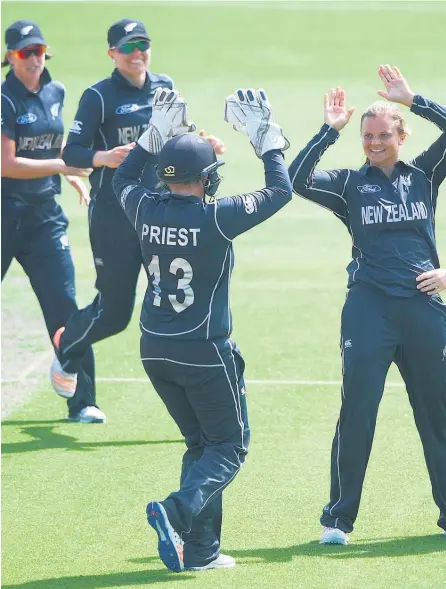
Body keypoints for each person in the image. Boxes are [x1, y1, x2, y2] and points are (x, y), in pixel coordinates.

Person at [108, 87, 292, 571]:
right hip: (204, 352)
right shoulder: (216, 216)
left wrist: (152, 137)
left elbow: (119, 179)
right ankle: (174, 511)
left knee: (201, 446)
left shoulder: (144, 207)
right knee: (229, 447)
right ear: (207, 178)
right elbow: (279, 191)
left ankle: (202, 553)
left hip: (154, 351)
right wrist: (267, 140)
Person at [288, 65, 446, 545]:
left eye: (383, 134)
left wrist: (412, 99)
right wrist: (328, 131)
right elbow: (298, 178)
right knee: (357, 409)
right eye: (367, 136)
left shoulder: (424, 174)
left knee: (437, 412)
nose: (374, 142)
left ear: (401, 135)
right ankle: (337, 519)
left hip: (424, 307)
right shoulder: (348, 185)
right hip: (369, 309)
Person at [48, 18, 175, 398]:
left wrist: (202, 142)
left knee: (172, 306)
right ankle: (68, 345)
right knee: (115, 313)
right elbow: (71, 153)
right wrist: (104, 157)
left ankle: (192, 391)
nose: (137, 53)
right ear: (112, 54)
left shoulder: (165, 87)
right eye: (128, 47)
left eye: (142, 45)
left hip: (157, 213)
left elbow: (178, 132)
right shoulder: (98, 96)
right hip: (113, 217)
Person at [1, 20, 104, 423]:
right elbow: (6, 163)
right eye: (26, 53)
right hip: (5, 215)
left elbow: (53, 144)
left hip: (45, 218)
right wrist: (65, 165)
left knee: (65, 308)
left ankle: (83, 401)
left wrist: (67, 174)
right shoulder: (4, 99)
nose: (35, 59)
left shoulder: (55, 91)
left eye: (40, 51)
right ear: (11, 57)